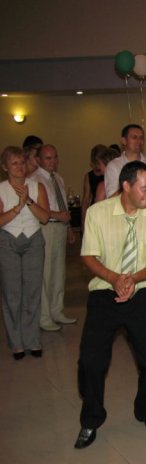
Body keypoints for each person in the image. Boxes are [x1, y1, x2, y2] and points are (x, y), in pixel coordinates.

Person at [74, 161, 146, 450]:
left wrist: (132, 279)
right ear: (126, 186)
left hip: (142, 293)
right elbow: (88, 255)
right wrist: (115, 278)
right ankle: (91, 419)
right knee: (91, 362)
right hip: (104, 294)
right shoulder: (98, 213)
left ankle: (145, 409)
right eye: (145, 188)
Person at [0, 146, 50, 359]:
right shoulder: (1, 189)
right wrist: (17, 208)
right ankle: (16, 342)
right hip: (8, 241)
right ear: (5, 167)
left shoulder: (37, 186)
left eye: (22, 162)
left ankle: (32, 339)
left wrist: (28, 201)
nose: (19, 167)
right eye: (14, 163)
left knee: (32, 291)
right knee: (12, 294)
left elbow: (45, 218)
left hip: (33, 240)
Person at [32, 144, 77, 331]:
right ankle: (44, 317)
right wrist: (58, 216)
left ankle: (57, 310)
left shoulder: (58, 178)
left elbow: (62, 204)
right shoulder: (34, 179)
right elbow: (36, 209)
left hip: (60, 227)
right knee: (46, 273)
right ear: (38, 160)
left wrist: (68, 228)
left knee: (59, 272)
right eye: (48, 158)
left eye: (55, 157)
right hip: (46, 227)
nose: (53, 161)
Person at [104, 124, 146, 200]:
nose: (139, 141)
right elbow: (111, 199)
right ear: (124, 141)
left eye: (141, 138)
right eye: (134, 137)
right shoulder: (114, 166)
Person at [80, 144, 107, 229]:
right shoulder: (89, 176)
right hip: (96, 208)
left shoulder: (110, 173)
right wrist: (83, 220)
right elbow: (86, 199)